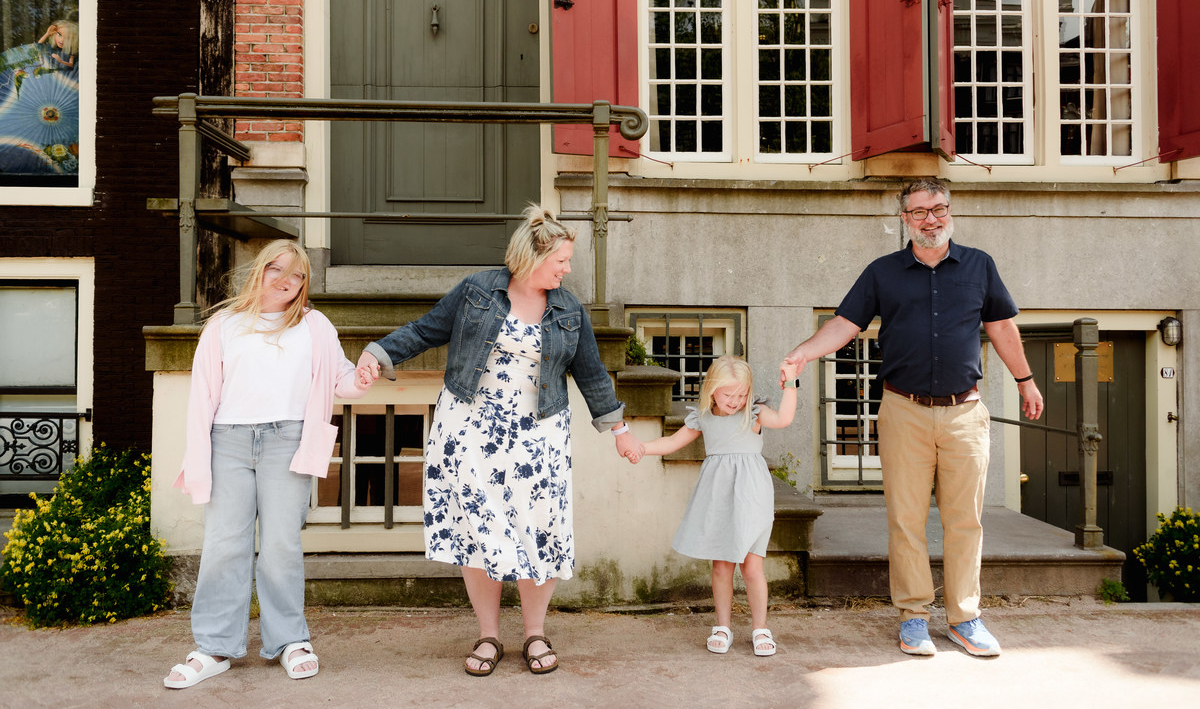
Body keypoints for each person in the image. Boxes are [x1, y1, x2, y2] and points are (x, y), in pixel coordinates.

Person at [356, 204, 642, 676]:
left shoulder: (568, 308)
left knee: (539, 530)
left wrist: (620, 430)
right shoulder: (477, 291)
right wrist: (377, 353)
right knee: (477, 530)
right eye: (561, 261)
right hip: (470, 428)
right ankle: (488, 635)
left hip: (539, 434)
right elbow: (427, 330)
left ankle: (534, 633)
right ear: (531, 256)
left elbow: (591, 374)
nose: (567, 269)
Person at [781, 177, 1044, 658]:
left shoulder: (979, 266)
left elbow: (1002, 326)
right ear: (904, 218)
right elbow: (845, 324)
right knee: (906, 520)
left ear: (950, 210)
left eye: (939, 208)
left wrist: (1026, 380)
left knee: (966, 521)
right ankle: (914, 617)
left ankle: (966, 617)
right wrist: (803, 354)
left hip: (965, 411)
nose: (931, 218)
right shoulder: (883, 272)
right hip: (903, 410)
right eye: (920, 211)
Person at [164, 240, 371, 688]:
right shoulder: (223, 325)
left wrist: (364, 375)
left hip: (288, 441)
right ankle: (215, 646)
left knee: (280, 545)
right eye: (276, 268)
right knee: (224, 545)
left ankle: (290, 640)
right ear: (260, 269)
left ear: (304, 283)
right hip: (229, 442)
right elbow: (202, 398)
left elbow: (341, 380)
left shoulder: (315, 326)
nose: (284, 279)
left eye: (296, 274)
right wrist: (199, 454)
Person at [632, 355, 798, 656]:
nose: (735, 401)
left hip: (752, 496)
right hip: (718, 496)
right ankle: (723, 626)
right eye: (728, 394)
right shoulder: (703, 418)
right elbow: (671, 442)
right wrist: (642, 448)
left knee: (752, 565)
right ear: (712, 390)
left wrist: (791, 384)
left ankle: (760, 628)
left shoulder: (755, 414)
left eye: (742, 394)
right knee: (722, 565)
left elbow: (785, 419)